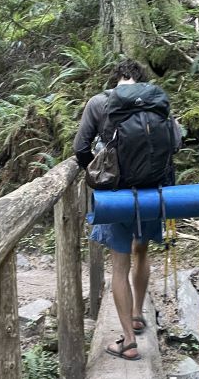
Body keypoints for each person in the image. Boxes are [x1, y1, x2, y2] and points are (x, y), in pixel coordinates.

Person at [73, 59, 181, 361]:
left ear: (114, 79)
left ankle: (129, 342)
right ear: (142, 80)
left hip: (118, 195)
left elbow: (80, 148)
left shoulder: (99, 103)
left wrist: (97, 171)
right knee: (142, 251)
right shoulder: (156, 101)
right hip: (153, 193)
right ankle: (136, 313)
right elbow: (176, 141)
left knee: (119, 266)